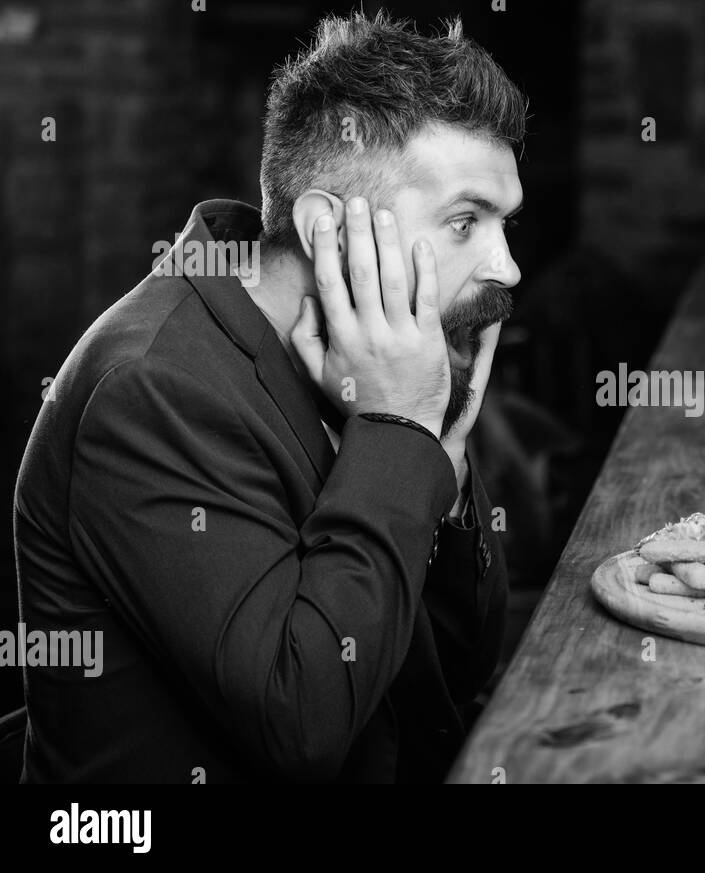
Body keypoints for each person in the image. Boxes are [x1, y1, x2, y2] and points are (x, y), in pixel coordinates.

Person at [13, 10, 525, 782]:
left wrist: (441, 478)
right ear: (328, 231)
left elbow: (448, 675)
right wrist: (397, 433)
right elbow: (305, 722)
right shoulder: (152, 392)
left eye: (504, 222)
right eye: (464, 221)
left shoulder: (370, 350)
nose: (508, 266)